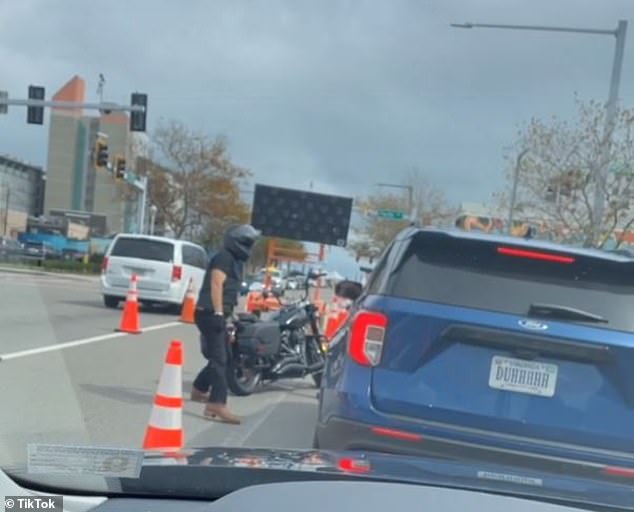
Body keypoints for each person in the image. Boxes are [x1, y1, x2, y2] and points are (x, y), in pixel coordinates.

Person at [190, 224, 260, 424]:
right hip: (210, 313)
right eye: (246, 242)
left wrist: (229, 315)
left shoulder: (235, 260)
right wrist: (220, 312)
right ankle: (217, 404)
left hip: (217, 313)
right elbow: (216, 283)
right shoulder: (224, 257)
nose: (249, 246)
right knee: (220, 359)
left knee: (225, 356)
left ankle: (198, 389)